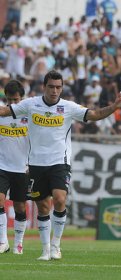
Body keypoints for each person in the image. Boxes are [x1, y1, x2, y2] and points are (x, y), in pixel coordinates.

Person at [0, 70, 121, 261]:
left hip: (60, 161)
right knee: (43, 206)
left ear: (62, 88)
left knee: (59, 199)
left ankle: (56, 245)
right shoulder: (30, 104)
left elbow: (94, 114)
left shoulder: (68, 107)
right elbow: (4, 111)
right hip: (35, 163)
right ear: (44, 86)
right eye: (51, 87)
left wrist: (114, 107)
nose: (54, 91)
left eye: (58, 87)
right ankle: (45, 250)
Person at [0, 80, 29, 255]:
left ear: (22, 99)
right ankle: (3, 241)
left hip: (22, 168)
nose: (12, 104)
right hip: (2, 166)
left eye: (16, 100)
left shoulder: (30, 114)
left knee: (19, 207)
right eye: (9, 100)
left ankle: (18, 243)